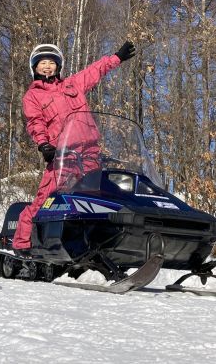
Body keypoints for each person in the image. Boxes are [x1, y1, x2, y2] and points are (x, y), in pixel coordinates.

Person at [10, 39, 136, 254]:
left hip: (89, 153)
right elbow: (35, 122)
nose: (47, 66)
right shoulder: (33, 96)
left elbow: (95, 71)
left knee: (97, 200)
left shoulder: (73, 85)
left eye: (51, 62)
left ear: (58, 66)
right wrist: (44, 145)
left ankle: (96, 245)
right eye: (42, 63)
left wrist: (116, 58)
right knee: (46, 198)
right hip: (62, 155)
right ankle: (22, 245)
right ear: (34, 68)